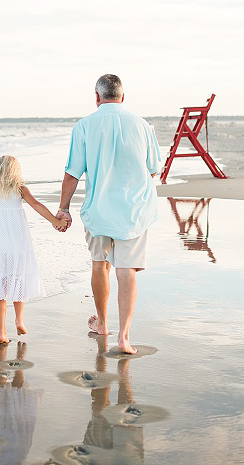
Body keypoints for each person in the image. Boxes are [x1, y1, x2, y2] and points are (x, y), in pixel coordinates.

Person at [56, 74, 161, 354]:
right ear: (123, 97)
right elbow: (152, 169)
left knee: (99, 264)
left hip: (99, 209)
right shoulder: (142, 126)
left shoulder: (84, 126)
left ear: (97, 97)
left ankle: (102, 323)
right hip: (134, 211)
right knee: (126, 271)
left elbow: (72, 174)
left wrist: (63, 209)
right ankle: (124, 337)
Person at [0, 155, 66, 345]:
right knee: (17, 280)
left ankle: (1, 332)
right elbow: (37, 206)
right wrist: (55, 221)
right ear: (15, 172)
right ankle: (19, 320)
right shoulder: (20, 189)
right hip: (18, 244)